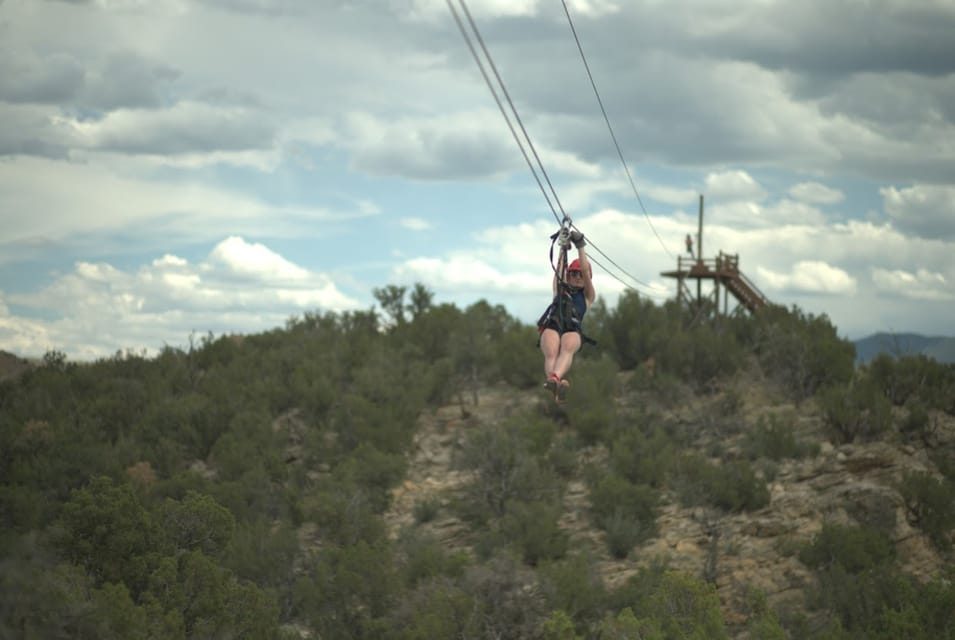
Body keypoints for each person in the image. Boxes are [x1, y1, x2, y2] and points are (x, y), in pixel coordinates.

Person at [537, 229, 596, 397]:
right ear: (568, 275)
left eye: (581, 275)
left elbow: (585, 272)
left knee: (568, 346)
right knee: (551, 350)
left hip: (572, 329)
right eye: (573, 274)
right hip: (553, 325)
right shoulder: (559, 288)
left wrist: (580, 246)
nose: (578, 277)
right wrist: (563, 247)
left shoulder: (587, 296)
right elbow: (560, 269)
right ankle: (556, 383)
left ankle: (555, 379)